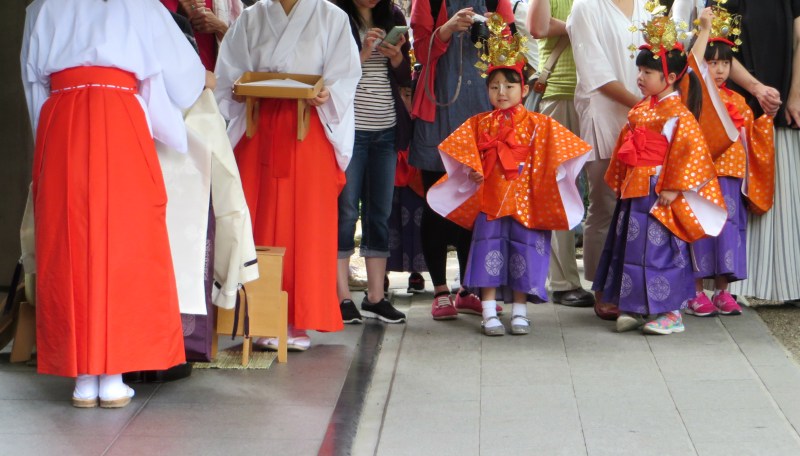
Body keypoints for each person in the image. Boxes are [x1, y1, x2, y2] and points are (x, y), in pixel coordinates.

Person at [21, 0, 207, 407]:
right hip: (119, 115)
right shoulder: (140, 6)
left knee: (68, 244)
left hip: (62, 117)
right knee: (125, 241)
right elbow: (184, 78)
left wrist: (48, 144)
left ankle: (83, 378)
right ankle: (113, 376)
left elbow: (34, 85)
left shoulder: (42, 8)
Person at [427, 15, 590, 336]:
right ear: (487, 89)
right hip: (491, 203)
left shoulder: (539, 124)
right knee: (488, 253)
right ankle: (488, 311)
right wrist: (471, 169)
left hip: (527, 202)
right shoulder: (479, 123)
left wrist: (552, 174)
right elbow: (456, 149)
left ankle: (519, 311)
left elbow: (570, 151)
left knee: (524, 253)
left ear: (524, 88)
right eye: (494, 86)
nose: (502, 92)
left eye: (509, 85)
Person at [214, 0, 361, 351]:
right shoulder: (251, 18)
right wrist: (237, 88)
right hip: (258, 125)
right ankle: (256, 315)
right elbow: (228, 74)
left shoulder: (331, 16)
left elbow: (345, 76)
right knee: (255, 220)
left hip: (308, 127)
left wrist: (328, 93)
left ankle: (299, 316)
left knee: (307, 226)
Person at [592, 9, 727, 335]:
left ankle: (671, 312)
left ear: (669, 78)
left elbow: (689, 150)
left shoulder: (677, 112)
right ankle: (635, 307)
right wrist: (621, 178)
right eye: (639, 70)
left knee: (660, 249)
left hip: (659, 188)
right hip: (636, 186)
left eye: (647, 72)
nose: (640, 78)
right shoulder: (641, 108)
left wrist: (674, 186)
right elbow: (627, 145)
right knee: (631, 246)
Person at [410, 0, 514, 320]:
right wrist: (446, 30)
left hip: (482, 111)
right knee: (437, 202)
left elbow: (510, 51)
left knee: (478, 203)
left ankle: (468, 288)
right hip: (439, 110)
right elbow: (419, 51)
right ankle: (440, 289)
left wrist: (492, 35)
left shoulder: (497, 2)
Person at [700, 0, 800, 304]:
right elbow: (716, 50)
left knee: (787, 195)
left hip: (785, 107)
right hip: (736, 110)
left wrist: (795, 94)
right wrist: (757, 88)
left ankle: (792, 284)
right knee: (738, 197)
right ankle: (732, 286)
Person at [684, 6, 775, 316]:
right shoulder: (696, 97)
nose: (720, 70)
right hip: (702, 175)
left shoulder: (739, 102)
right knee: (699, 228)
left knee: (729, 229)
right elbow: (691, 67)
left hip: (732, 177)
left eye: (725, 63)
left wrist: (767, 121)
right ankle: (695, 291)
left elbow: (753, 136)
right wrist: (705, 30)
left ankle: (723, 290)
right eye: (713, 62)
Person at [567, 0, 648, 321]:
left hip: (646, 120)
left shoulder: (648, 7)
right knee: (605, 204)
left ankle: (634, 285)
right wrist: (642, 105)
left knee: (640, 206)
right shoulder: (586, 7)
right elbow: (596, 74)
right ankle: (602, 287)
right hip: (604, 115)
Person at [333, 0, 411, 325]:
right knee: (346, 211)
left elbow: (405, 76)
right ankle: (342, 296)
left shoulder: (393, 16)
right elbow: (333, 74)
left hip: (387, 129)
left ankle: (376, 297)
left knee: (380, 213)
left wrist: (396, 58)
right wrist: (363, 52)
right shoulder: (336, 16)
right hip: (350, 131)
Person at [526, 0, 595, 308]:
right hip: (560, 93)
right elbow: (538, 27)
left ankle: (603, 277)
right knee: (560, 189)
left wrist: (568, 26)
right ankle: (563, 281)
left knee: (605, 190)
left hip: (600, 93)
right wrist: (577, 27)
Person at [162, 0, 243, 71]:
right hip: (184, 79)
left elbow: (243, 49)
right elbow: (159, 44)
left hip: (219, 80)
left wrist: (220, 28)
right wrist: (179, 17)